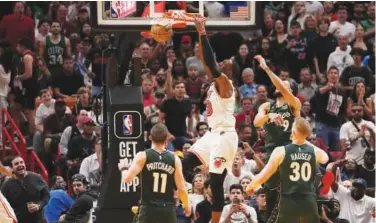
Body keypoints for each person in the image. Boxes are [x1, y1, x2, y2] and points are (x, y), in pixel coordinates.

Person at [180, 18, 238, 223]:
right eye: (222, 63)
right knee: (184, 162)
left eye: (227, 64)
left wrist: (203, 30)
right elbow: (207, 61)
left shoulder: (226, 84)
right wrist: (198, 34)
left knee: (215, 183)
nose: (223, 63)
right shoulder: (216, 82)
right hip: (212, 134)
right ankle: (176, 197)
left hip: (225, 136)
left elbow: (212, 64)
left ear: (231, 72)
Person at [246, 117, 329, 222]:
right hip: (308, 201)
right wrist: (304, 140)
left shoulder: (281, 151)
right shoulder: (314, 151)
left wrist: (251, 185)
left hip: (289, 201)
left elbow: (265, 174)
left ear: (293, 131)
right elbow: (325, 159)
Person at [253, 55, 302, 220]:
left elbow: (279, 84)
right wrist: (270, 116)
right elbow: (256, 123)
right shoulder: (267, 106)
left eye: (284, 85)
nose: (279, 85)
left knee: (291, 192)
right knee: (270, 192)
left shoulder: (294, 104)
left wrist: (266, 68)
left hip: (289, 149)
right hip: (271, 151)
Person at [118, 123, 190, 223]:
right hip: (168, 209)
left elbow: (127, 179)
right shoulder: (175, 159)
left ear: (150, 137)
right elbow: (181, 188)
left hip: (148, 208)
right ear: (166, 139)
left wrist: (123, 169)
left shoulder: (142, 156)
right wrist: (186, 205)